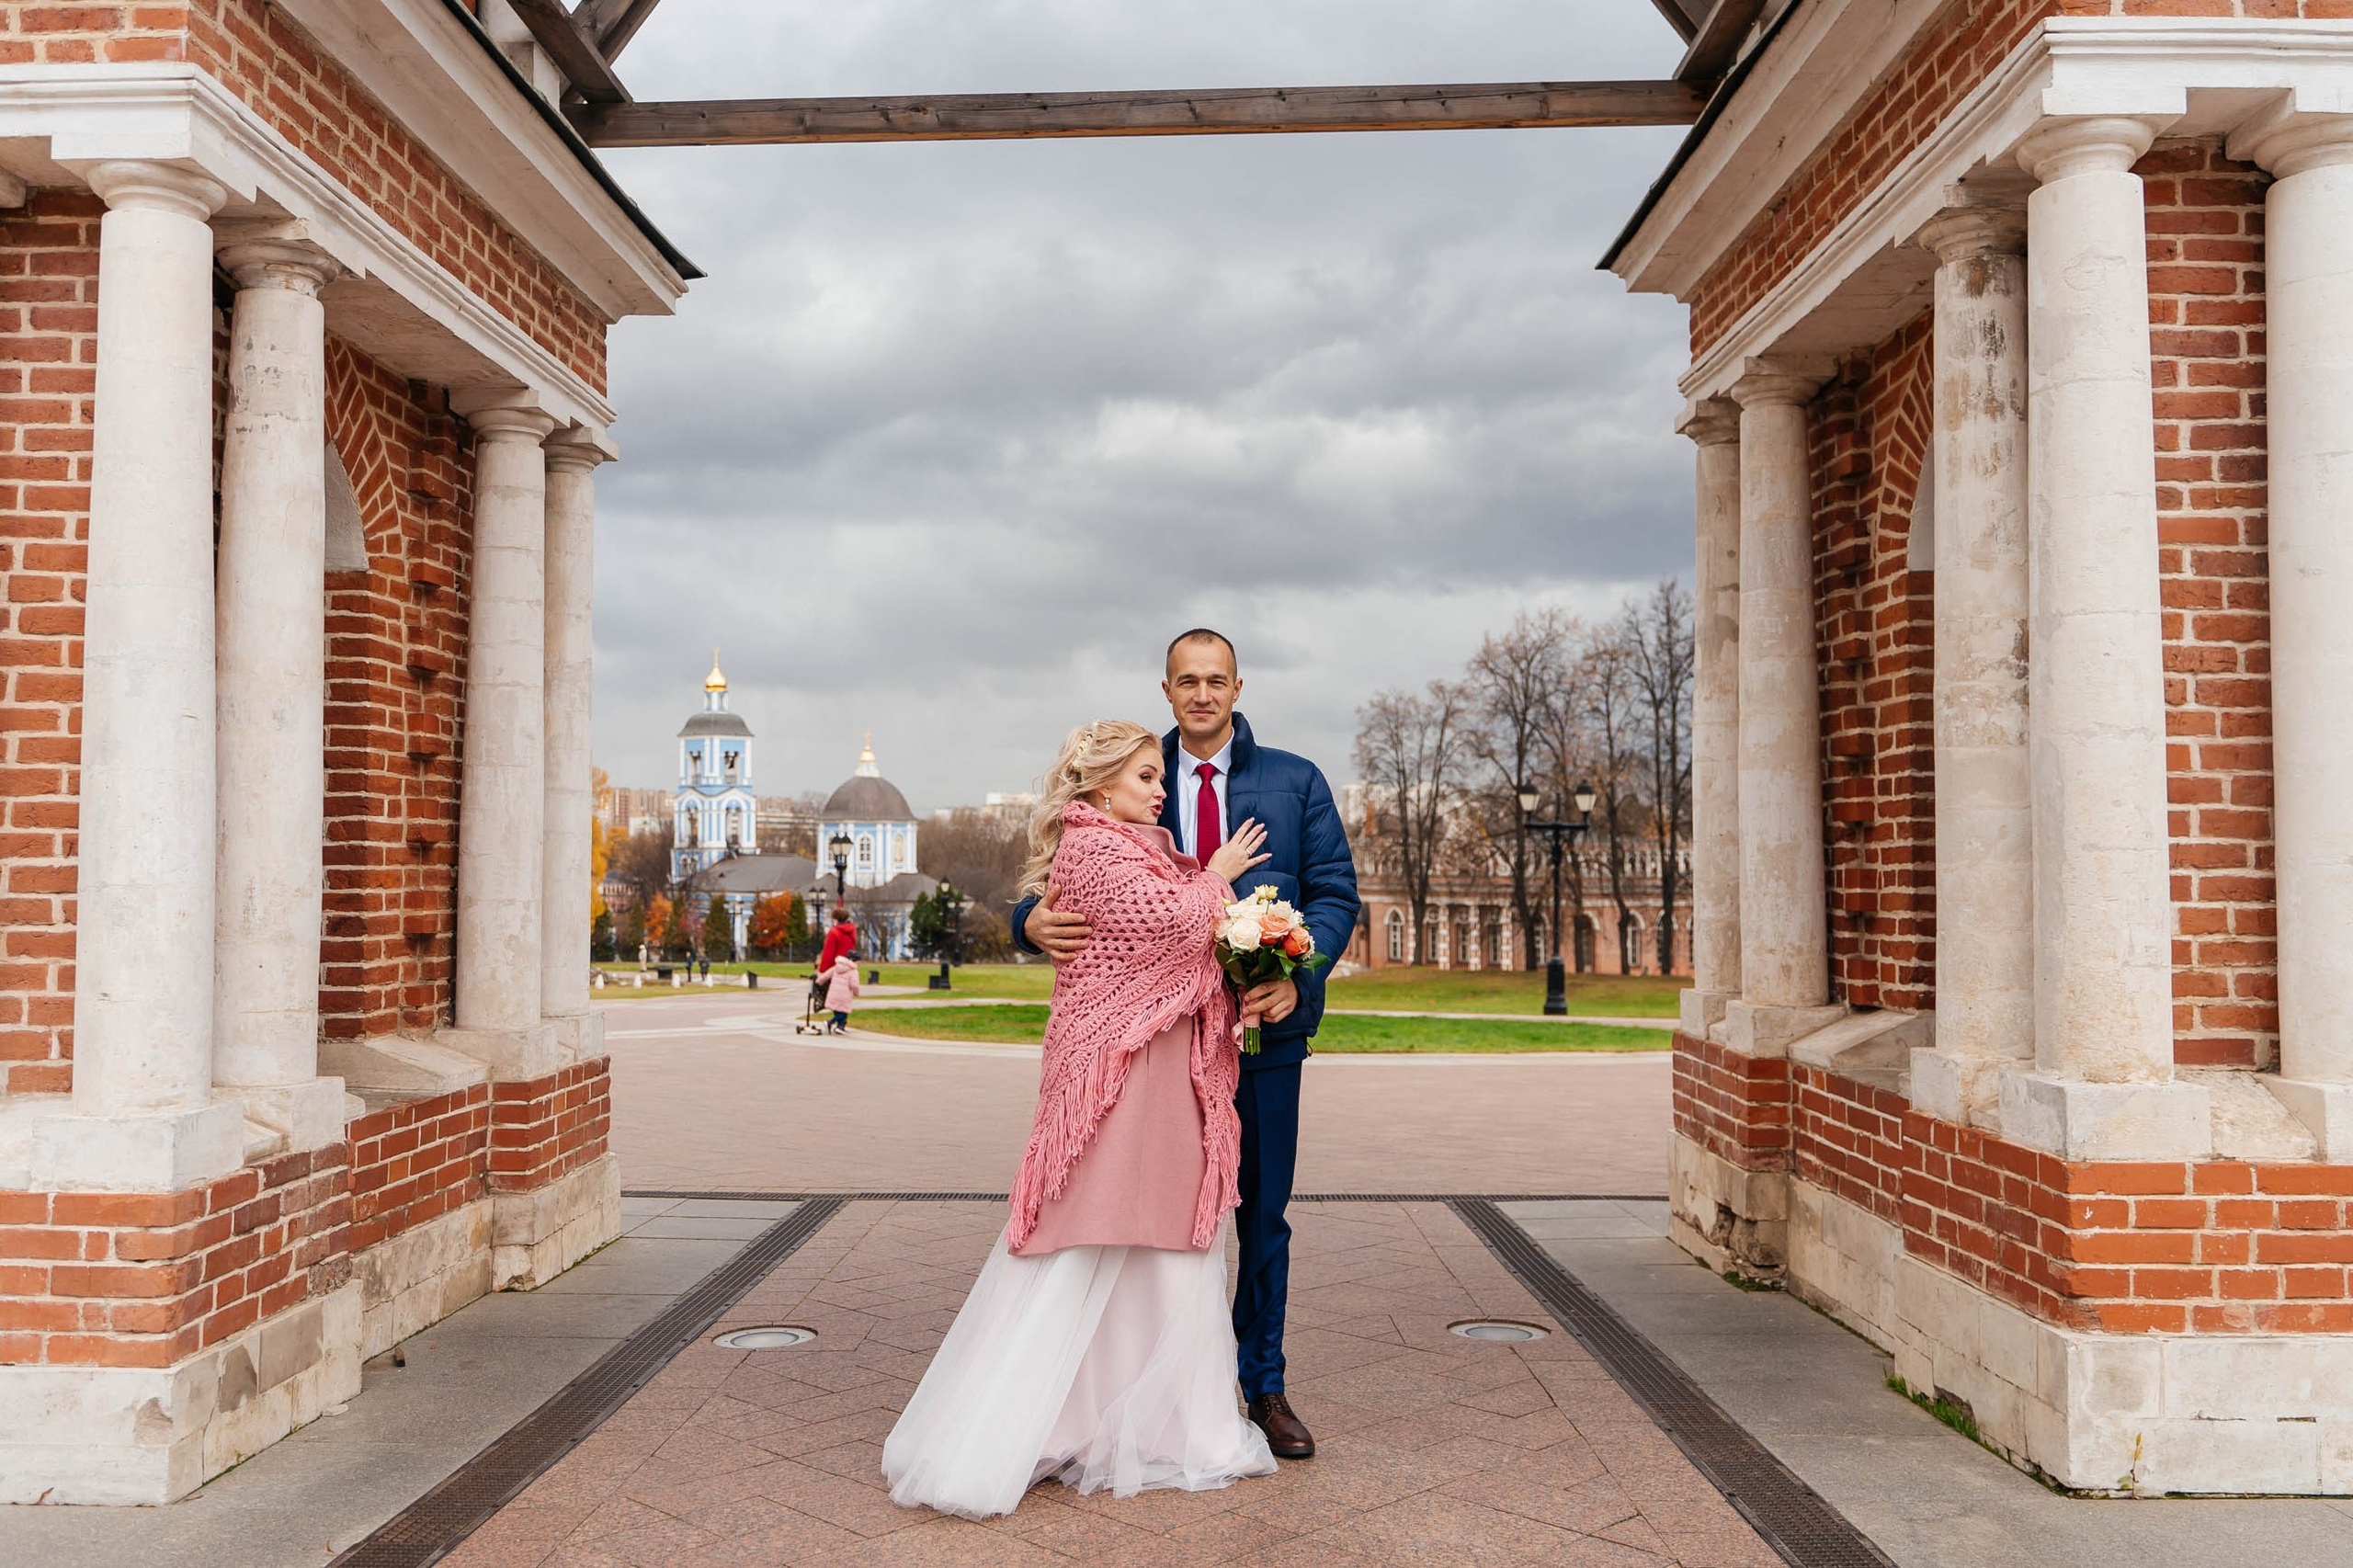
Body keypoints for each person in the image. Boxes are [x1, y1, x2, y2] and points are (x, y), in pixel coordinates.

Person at [882, 720, 1279, 1518]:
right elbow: (1164, 926)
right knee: (1086, 1232)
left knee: (1166, 1240)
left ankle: (1162, 1422)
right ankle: (1031, 1421)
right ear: (1100, 787)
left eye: (1156, 777)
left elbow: (1187, 932)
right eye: (1143, 778)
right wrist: (1221, 876)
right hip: (1118, 1076)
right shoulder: (1094, 847)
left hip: (1167, 1073)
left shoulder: (1140, 845)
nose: (1159, 788)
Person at [1011, 630, 1357, 1461]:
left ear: (1239, 686)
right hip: (1160, 1049)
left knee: (1261, 1213)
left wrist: (1297, 981)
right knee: (1149, 1217)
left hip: (1263, 1036)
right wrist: (1024, 921)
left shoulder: (1296, 780)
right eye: (1186, 681)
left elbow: (1336, 894)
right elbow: (1060, 862)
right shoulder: (1133, 772)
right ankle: (1141, 1392)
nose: (1202, 694)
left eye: (1216, 680)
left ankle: (1261, 1386)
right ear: (1166, 690)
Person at [821, 950, 859, 1034]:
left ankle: (840, 1027)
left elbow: (826, 975)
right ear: (854, 960)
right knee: (844, 1012)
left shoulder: (837, 967)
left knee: (838, 1010)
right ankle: (830, 1022)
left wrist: (818, 981)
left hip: (833, 993)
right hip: (844, 995)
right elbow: (854, 985)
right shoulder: (853, 970)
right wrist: (856, 993)